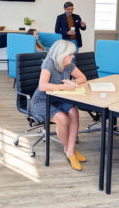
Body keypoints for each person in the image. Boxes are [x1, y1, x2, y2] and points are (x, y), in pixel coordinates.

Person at [30, 40, 87, 170]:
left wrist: (72, 82)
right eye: (70, 54)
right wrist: (63, 86)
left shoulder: (69, 64)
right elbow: (42, 86)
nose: (73, 57)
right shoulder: (49, 63)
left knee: (73, 112)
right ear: (62, 54)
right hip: (42, 100)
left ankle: (71, 149)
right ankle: (69, 151)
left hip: (58, 98)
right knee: (62, 118)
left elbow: (83, 78)